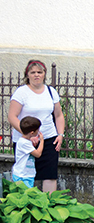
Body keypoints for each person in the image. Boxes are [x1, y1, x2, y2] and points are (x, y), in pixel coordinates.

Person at [8, 59, 65, 192]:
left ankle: (48, 203)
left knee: (49, 174)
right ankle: (25, 202)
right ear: (27, 75)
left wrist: (60, 135)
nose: (36, 75)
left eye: (39, 72)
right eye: (33, 72)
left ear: (44, 74)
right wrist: (28, 134)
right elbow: (12, 116)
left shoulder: (51, 92)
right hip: (25, 141)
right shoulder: (21, 92)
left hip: (48, 138)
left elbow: (58, 115)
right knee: (24, 175)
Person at [12, 115, 44, 188]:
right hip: (23, 175)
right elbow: (38, 154)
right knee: (26, 193)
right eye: (37, 130)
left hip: (25, 174)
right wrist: (42, 140)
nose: (39, 132)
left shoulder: (25, 141)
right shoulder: (24, 143)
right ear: (32, 133)